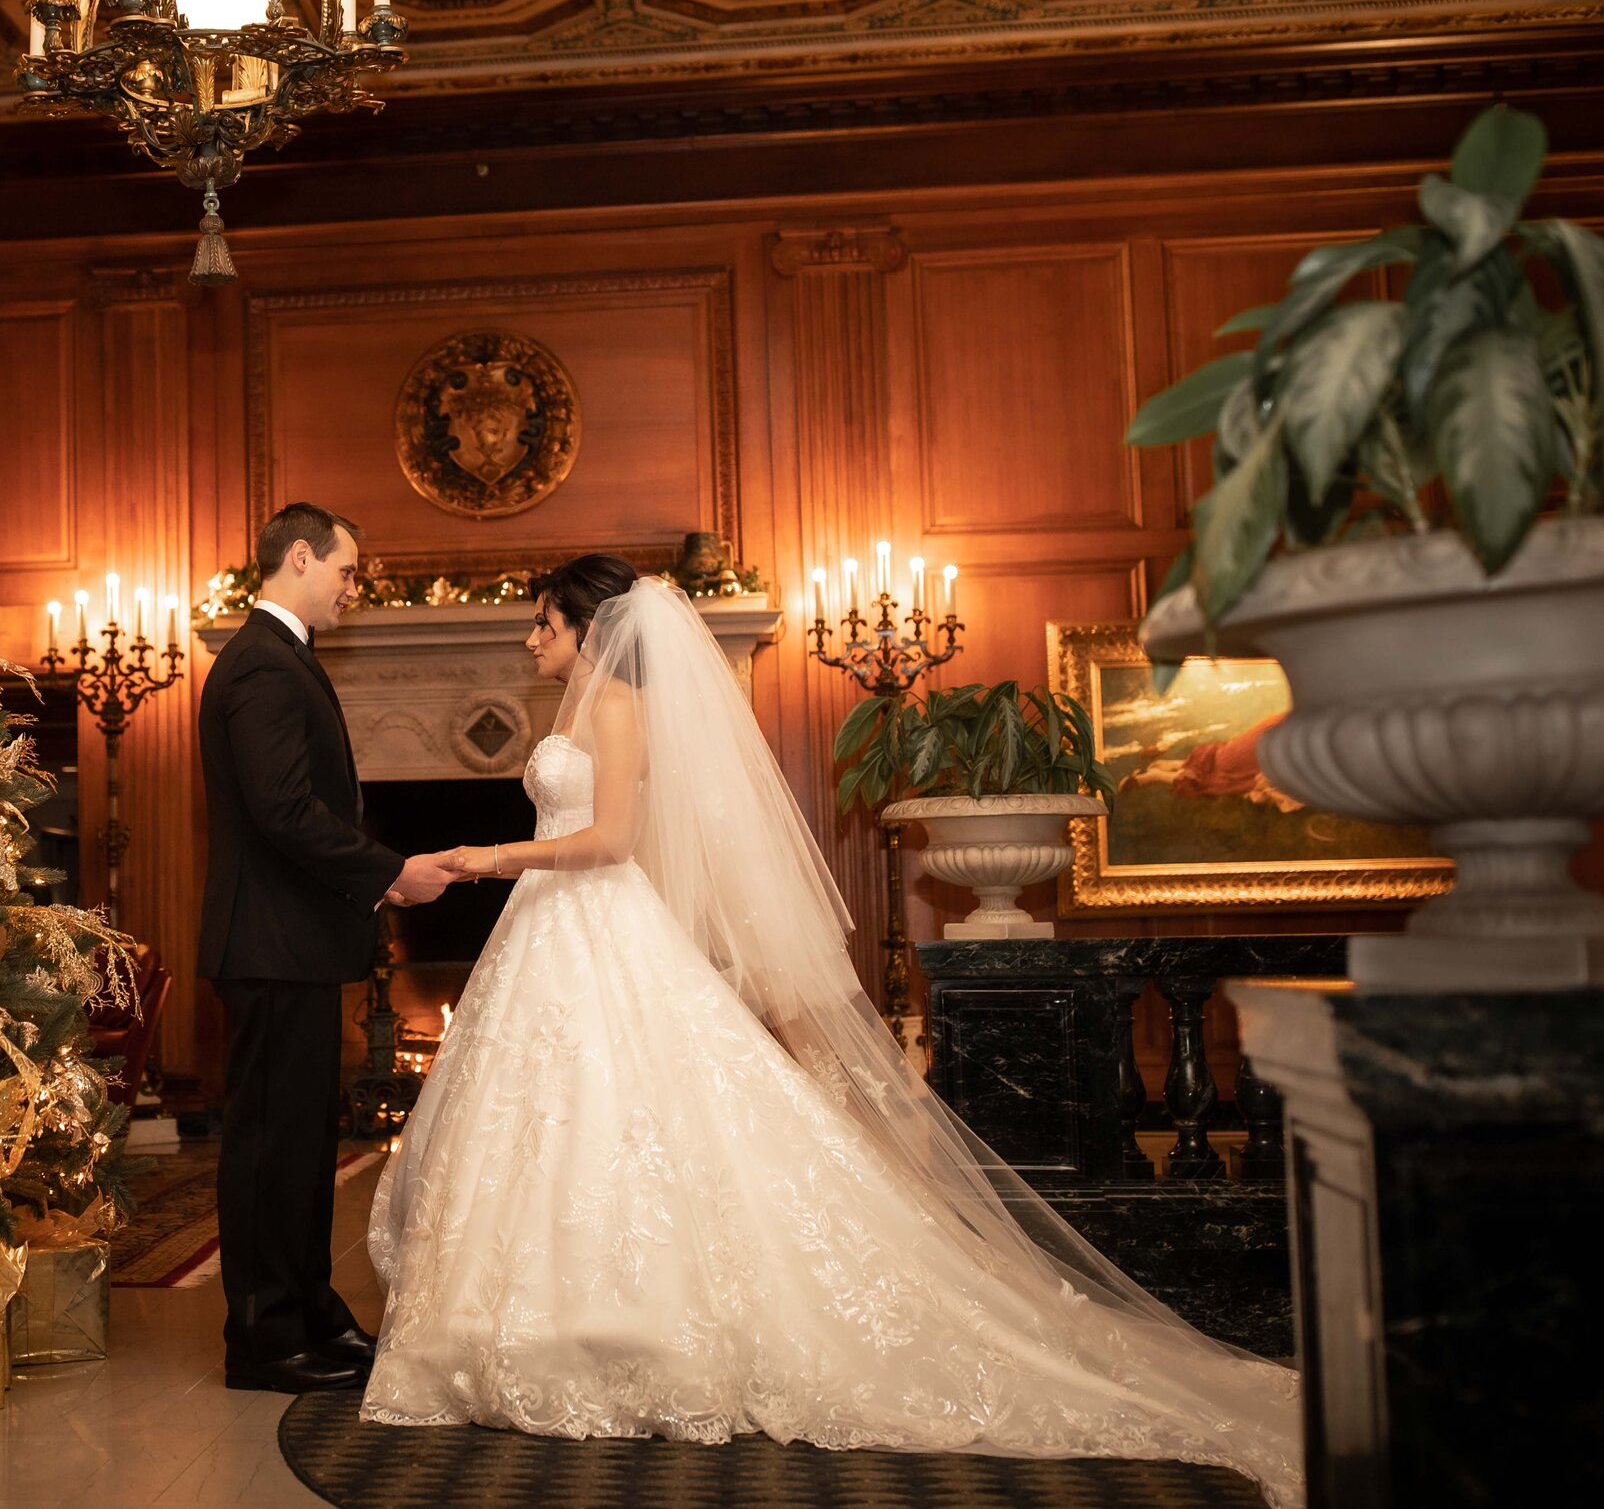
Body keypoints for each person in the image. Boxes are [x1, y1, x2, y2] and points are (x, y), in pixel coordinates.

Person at [362, 556, 1299, 1507]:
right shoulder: (583, 708)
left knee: (618, 1113)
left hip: (589, 914)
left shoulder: (615, 708)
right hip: (560, 928)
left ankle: (617, 1326)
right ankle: (541, 1318)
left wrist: (488, 857)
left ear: (592, 630)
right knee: (564, 1123)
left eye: (544, 626)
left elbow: (608, 841)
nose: (531, 640)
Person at [200, 502, 465, 1394]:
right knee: (273, 1147)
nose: (356, 587)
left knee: (305, 1145)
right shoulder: (264, 665)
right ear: (300, 558)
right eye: (347, 571)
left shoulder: (282, 657)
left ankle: (308, 1312)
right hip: (271, 944)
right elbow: (283, 811)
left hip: (293, 944)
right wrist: (390, 871)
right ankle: (266, 1338)